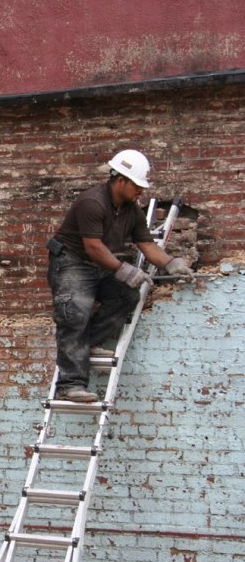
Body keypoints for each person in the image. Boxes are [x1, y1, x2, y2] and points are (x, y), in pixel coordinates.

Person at [46, 149, 193, 402]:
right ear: (121, 180)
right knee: (75, 312)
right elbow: (93, 246)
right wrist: (123, 269)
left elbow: (146, 244)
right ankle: (70, 385)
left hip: (100, 265)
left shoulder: (131, 210)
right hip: (72, 263)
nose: (141, 192)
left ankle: (85, 343)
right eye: (137, 185)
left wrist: (171, 264)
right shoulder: (91, 202)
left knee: (126, 296)